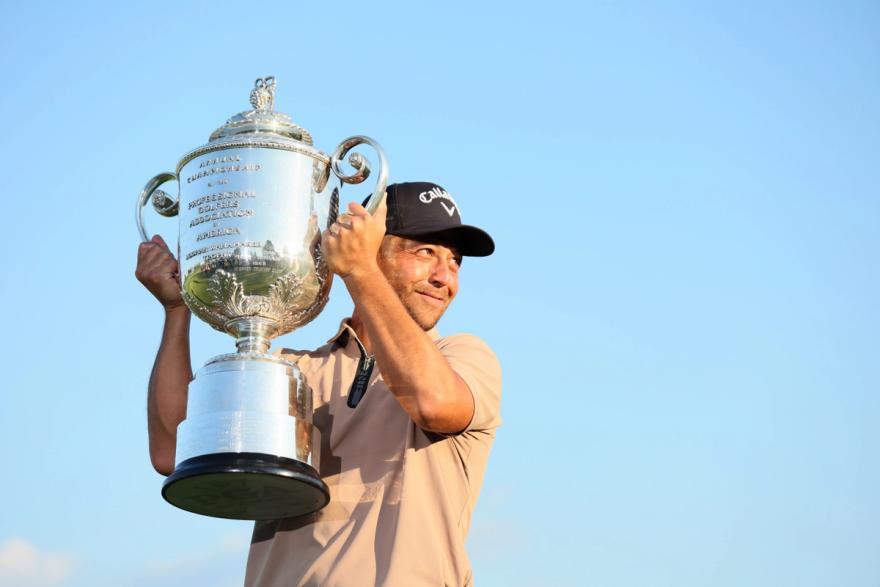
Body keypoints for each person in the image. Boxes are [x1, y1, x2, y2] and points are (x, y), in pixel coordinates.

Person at [136, 181, 502, 586]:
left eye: (455, 262)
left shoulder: (464, 358)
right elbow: (174, 450)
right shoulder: (294, 370)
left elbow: (432, 402)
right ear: (370, 250)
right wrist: (176, 310)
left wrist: (359, 271)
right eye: (425, 252)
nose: (443, 277)